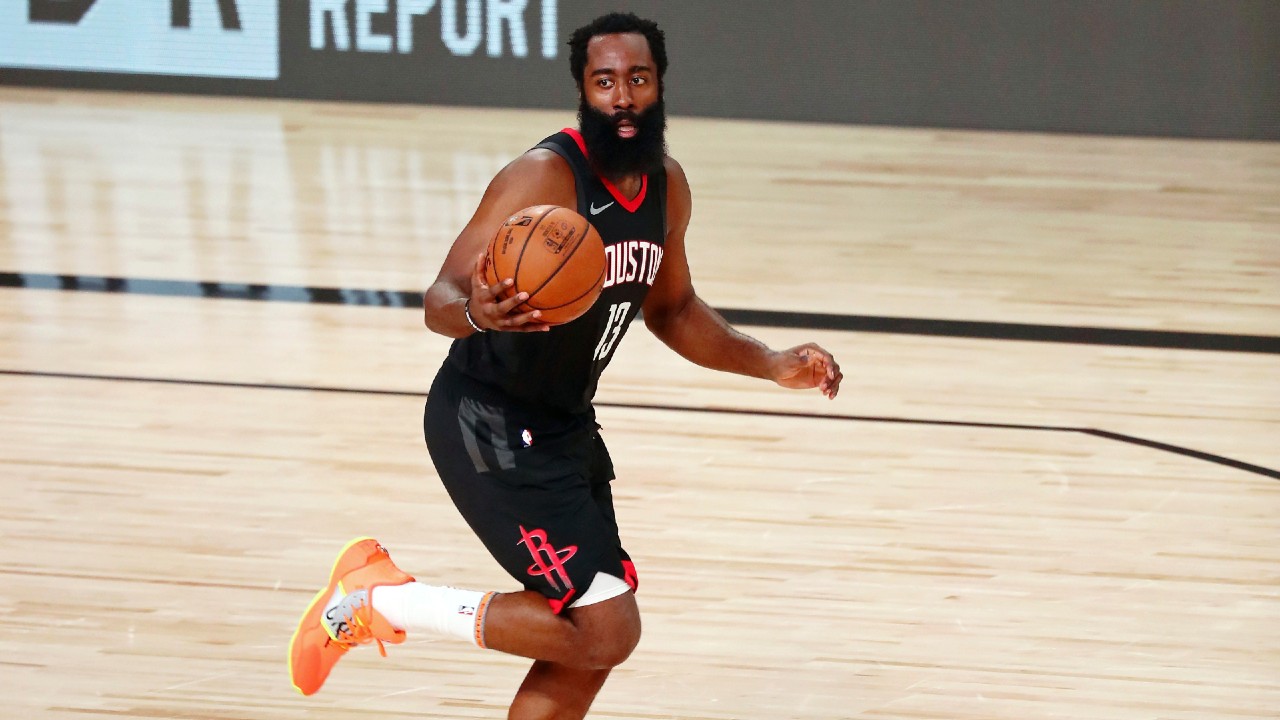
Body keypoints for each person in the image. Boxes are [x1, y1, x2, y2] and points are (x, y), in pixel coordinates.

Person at [289, 11, 842, 719]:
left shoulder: (667, 188)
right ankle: (377, 601)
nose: (622, 97)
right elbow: (439, 298)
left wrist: (770, 363)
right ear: (584, 90)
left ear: (659, 86)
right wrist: (478, 312)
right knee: (607, 626)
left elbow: (672, 312)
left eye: (637, 79)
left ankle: (377, 599)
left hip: (565, 427)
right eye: (604, 81)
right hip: (486, 421)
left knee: (591, 642)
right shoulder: (543, 176)